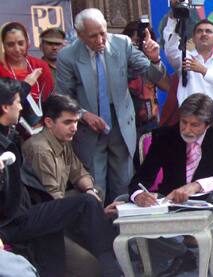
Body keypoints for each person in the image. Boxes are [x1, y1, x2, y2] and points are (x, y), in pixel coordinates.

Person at [0, 78, 123, 277]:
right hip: (15, 222)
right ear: (5, 107)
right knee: (87, 211)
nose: (21, 106)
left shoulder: (14, 135)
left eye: (76, 122)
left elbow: (79, 173)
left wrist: (91, 193)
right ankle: (114, 269)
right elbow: (52, 197)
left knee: (92, 196)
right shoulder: (38, 148)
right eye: (17, 102)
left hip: (31, 212)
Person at [129, 93, 213, 276]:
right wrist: (138, 195)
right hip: (173, 200)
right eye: (183, 122)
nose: (187, 129)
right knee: (125, 202)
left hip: (210, 200)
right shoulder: (165, 136)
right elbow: (141, 178)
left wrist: (196, 186)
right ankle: (183, 254)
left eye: (195, 125)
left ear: (207, 125)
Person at [56, 8, 166, 203]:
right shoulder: (67, 56)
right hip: (90, 125)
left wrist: (154, 59)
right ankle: (98, 227)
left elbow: (152, 75)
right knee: (95, 182)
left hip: (121, 122)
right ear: (80, 35)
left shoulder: (122, 44)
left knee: (123, 180)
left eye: (102, 33)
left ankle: (122, 229)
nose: (100, 40)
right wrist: (83, 115)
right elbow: (64, 96)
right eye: (93, 36)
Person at [163, 0, 213, 121]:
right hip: (189, 124)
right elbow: (170, 48)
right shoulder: (184, 57)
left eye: (208, 31)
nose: (203, 34)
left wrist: (204, 71)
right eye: (199, 31)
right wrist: (173, 15)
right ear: (194, 38)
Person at [0, 22, 53, 103]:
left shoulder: (40, 66)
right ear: (3, 46)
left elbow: (48, 99)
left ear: (28, 43)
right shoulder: (1, 68)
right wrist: (26, 85)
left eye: (21, 43)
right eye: (10, 45)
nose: (17, 49)